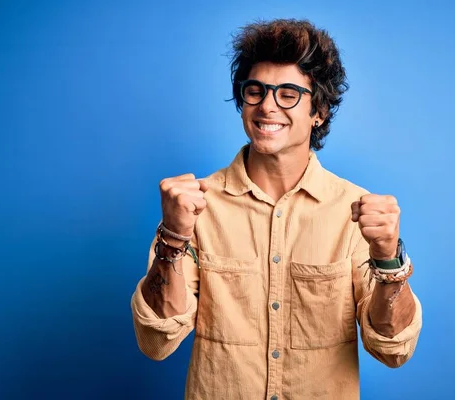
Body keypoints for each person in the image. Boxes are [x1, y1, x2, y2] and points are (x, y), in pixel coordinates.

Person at [131, 18, 423, 400]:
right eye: (256, 91)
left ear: (318, 110)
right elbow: (156, 341)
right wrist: (173, 237)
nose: (267, 106)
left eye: (288, 93)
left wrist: (387, 261)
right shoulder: (195, 208)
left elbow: (393, 349)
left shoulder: (353, 213)